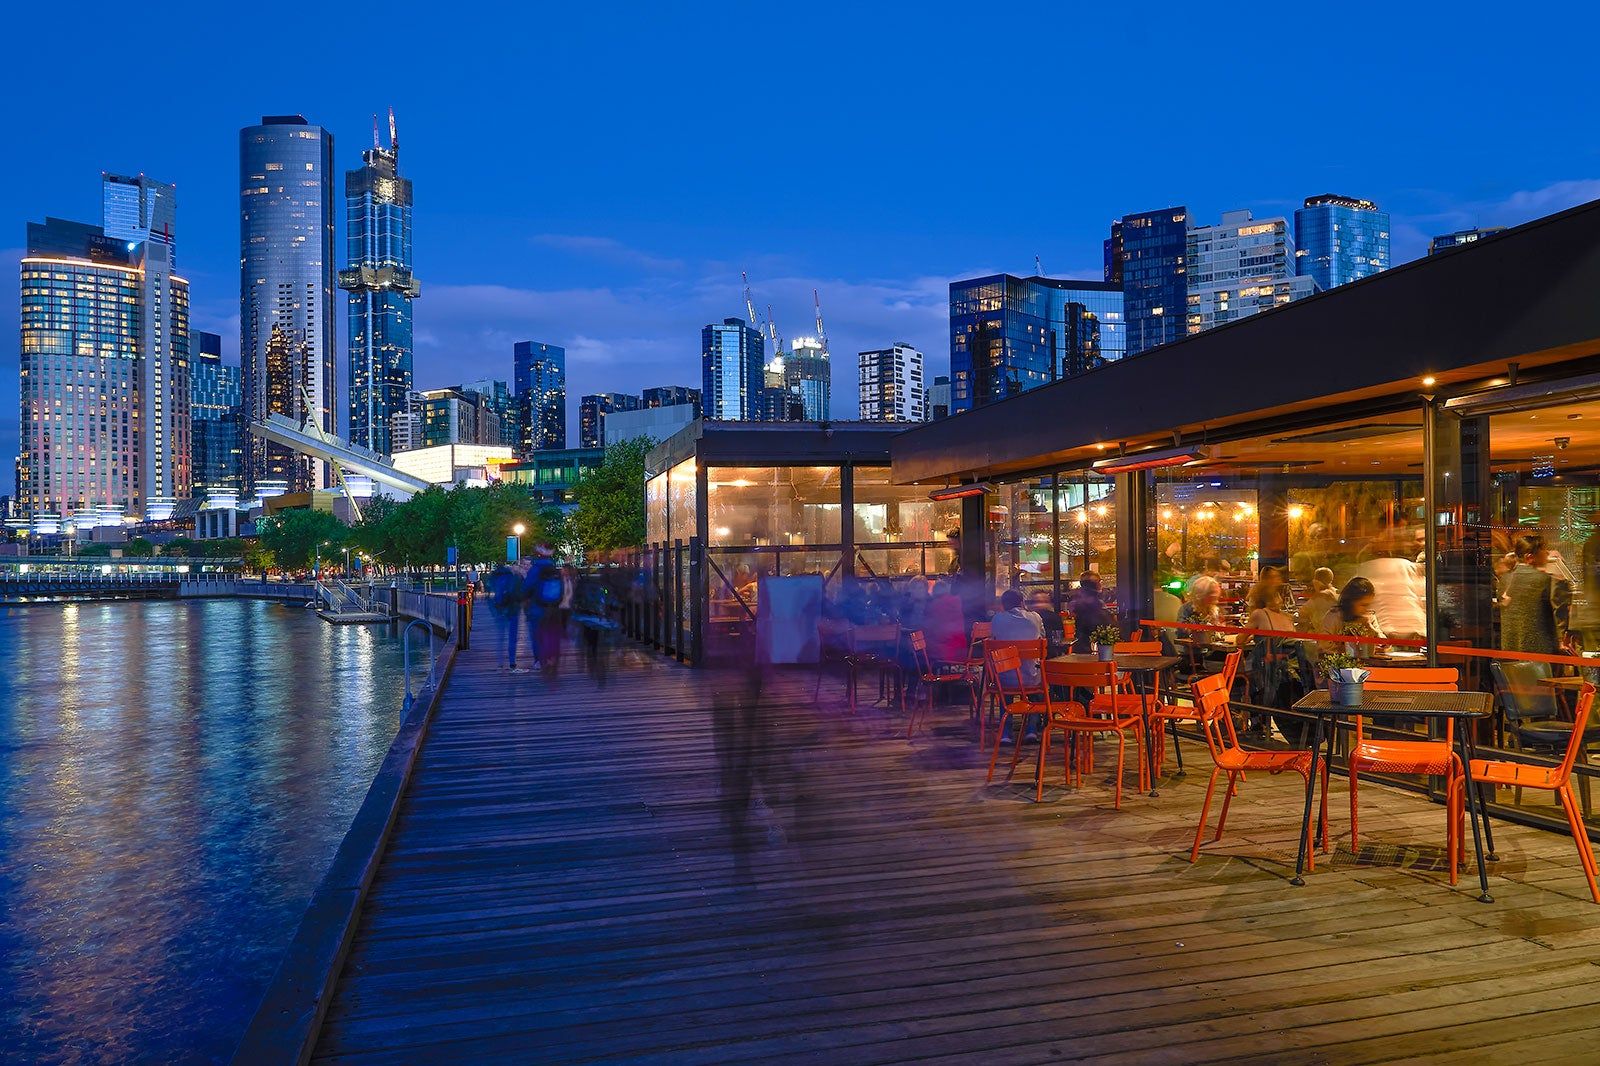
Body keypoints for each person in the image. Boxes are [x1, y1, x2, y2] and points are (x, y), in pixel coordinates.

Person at [1501, 532, 1573, 656]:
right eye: (1543, 550)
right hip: (1542, 650)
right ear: (1530, 557)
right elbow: (1559, 611)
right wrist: (1562, 637)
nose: (1547, 554)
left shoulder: (1505, 579)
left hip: (1509, 649)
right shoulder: (1548, 580)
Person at [522, 544, 566, 678]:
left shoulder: (535, 569)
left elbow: (526, 589)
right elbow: (562, 590)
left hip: (536, 608)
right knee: (551, 633)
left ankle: (539, 661)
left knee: (536, 636)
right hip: (552, 609)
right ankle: (552, 658)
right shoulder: (555, 569)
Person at [1317, 575, 1386, 657]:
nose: (1366, 609)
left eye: (1369, 605)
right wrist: (1351, 649)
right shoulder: (1335, 616)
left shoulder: (1369, 617)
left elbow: (1384, 643)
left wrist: (1371, 628)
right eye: (1363, 605)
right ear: (1351, 602)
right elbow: (1323, 645)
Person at [486, 560, 527, 672]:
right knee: (512, 637)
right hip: (513, 610)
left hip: (499, 609)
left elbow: (488, 593)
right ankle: (512, 662)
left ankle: (500, 663)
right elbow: (520, 594)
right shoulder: (514, 578)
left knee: (500, 636)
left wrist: (493, 609)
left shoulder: (495, 577)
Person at [1065, 573, 1113, 653]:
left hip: (1082, 648)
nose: (1100, 584)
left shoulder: (1079, 601)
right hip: (1094, 648)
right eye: (1099, 581)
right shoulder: (1095, 603)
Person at [924, 580, 968, 666]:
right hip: (962, 650)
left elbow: (934, 631)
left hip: (943, 652)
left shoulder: (934, 605)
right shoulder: (957, 601)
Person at [1296, 567, 1337, 634]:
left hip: (1323, 637)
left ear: (1316, 582)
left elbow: (1301, 614)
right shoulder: (1336, 593)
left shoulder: (1319, 597)